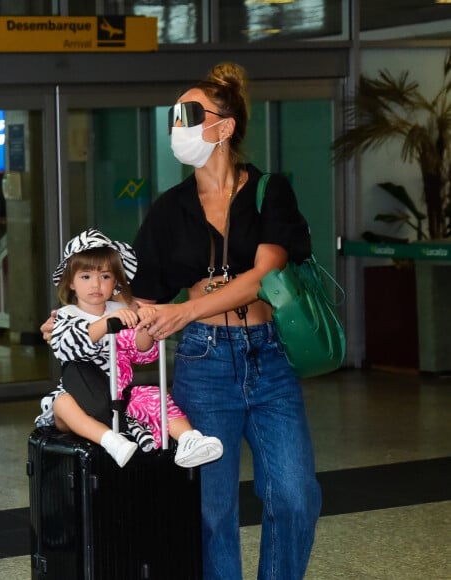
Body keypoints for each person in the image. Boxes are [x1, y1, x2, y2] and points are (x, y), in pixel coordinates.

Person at [131, 63, 322, 579]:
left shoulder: (268, 192)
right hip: (203, 362)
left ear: (224, 126)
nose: (178, 127)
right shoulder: (169, 211)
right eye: (174, 116)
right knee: (210, 511)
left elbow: (263, 276)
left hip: (269, 358)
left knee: (295, 494)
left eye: (189, 115)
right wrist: (89, 315)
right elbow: (144, 299)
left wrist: (186, 307)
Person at [36, 228, 223, 470]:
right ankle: (110, 440)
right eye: (86, 277)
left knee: (156, 397)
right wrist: (106, 324)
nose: (96, 284)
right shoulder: (66, 315)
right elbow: (69, 347)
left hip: (121, 395)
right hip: (83, 395)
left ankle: (189, 439)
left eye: (105, 276)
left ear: (115, 281)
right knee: (62, 402)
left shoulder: (121, 309)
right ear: (70, 282)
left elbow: (141, 352)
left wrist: (144, 324)